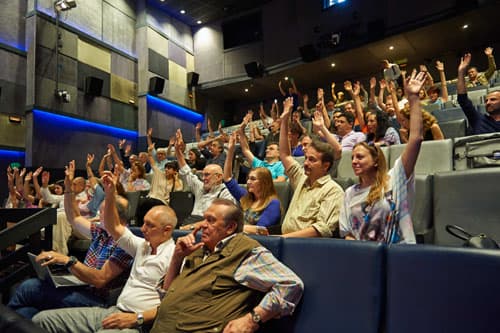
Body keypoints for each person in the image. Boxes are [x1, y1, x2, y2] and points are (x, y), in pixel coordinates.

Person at [33, 172, 177, 333]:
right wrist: (109, 194)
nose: (143, 229)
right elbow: (110, 226)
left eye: (150, 225)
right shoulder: (142, 245)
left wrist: (138, 317)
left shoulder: (175, 257)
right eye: (143, 223)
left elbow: (172, 305)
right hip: (115, 311)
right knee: (40, 320)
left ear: (167, 230)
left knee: (31, 289)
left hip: (135, 322)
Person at [149, 199, 303, 332]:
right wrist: (177, 259)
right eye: (204, 219)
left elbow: (290, 284)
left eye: (211, 220)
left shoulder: (245, 251)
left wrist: (252, 319)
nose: (202, 225)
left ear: (230, 228)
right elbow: (167, 296)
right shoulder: (197, 248)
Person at [8, 161, 133, 319]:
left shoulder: (126, 242)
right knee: (26, 313)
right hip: (82, 287)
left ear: (115, 214)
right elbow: (73, 217)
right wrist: (68, 189)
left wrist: (69, 260)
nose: (98, 216)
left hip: (98, 300)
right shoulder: (102, 232)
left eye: (102, 212)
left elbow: (100, 280)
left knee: (29, 287)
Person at [339, 70, 427, 244]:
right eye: (353, 157)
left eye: (360, 157)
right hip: (365, 260)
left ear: (376, 160)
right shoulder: (349, 193)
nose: (354, 161)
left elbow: (416, 138)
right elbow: (347, 233)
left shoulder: (395, 179)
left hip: (400, 256)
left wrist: (414, 99)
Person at [279, 97, 344, 237]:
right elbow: (285, 154)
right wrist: (284, 121)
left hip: (306, 249)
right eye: (306, 158)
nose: (306, 163)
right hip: (285, 243)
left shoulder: (333, 191)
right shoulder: (301, 179)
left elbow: (321, 230)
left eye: (312, 160)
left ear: (325, 165)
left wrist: (282, 239)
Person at [175, 129, 237, 227]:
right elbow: (186, 170)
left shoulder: (226, 193)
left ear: (219, 177)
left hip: (207, 227)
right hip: (189, 222)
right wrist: (178, 150)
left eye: (207, 175)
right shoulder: (200, 187)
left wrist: (193, 226)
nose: (203, 178)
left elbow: (220, 219)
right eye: (203, 175)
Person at [224, 132, 281, 235]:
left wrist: (231, 227)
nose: (248, 182)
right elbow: (228, 178)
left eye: (253, 179)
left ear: (264, 182)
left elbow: (260, 229)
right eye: (248, 178)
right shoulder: (247, 197)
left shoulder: (273, 203)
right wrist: (230, 151)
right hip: (237, 237)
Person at [457, 53, 500, 134]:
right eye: (486, 100)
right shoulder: (478, 119)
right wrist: (461, 72)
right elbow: (463, 100)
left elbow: (492, 68)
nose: (488, 102)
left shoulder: (483, 77)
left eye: (493, 99)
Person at [239, 114, 287, 182]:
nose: (267, 150)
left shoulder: (281, 165)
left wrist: (259, 182)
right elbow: (245, 150)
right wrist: (242, 129)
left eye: (271, 149)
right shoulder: (260, 164)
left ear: (279, 153)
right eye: (267, 148)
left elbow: (281, 180)